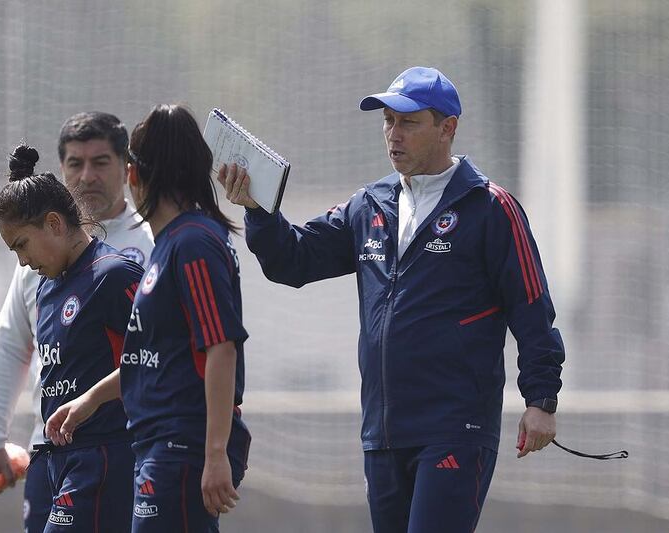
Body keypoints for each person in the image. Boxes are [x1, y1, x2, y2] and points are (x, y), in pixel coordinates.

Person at [219, 66, 565, 532]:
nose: (393, 135)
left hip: (454, 427)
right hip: (382, 432)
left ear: (448, 128)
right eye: (387, 122)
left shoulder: (490, 207)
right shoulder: (369, 204)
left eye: (408, 122)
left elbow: (531, 306)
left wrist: (541, 398)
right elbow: (294, 262)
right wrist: (258, 209)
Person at [45, 104, 251, 532]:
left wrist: (214, 455)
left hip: (182, 447)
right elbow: (149, 355)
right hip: (158, 445)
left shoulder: (193, 243)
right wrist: (88, 402)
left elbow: (221, 348)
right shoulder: (168, 246)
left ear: (133, 174)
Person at [0, 112, 154, 532]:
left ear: (126, 168)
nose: (87, 175)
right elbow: (9, 347)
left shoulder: (146, 248)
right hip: (49, 449)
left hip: (113, 449)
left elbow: (162, 356)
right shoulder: (40, 268)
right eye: (75, 163)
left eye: (100, 162)